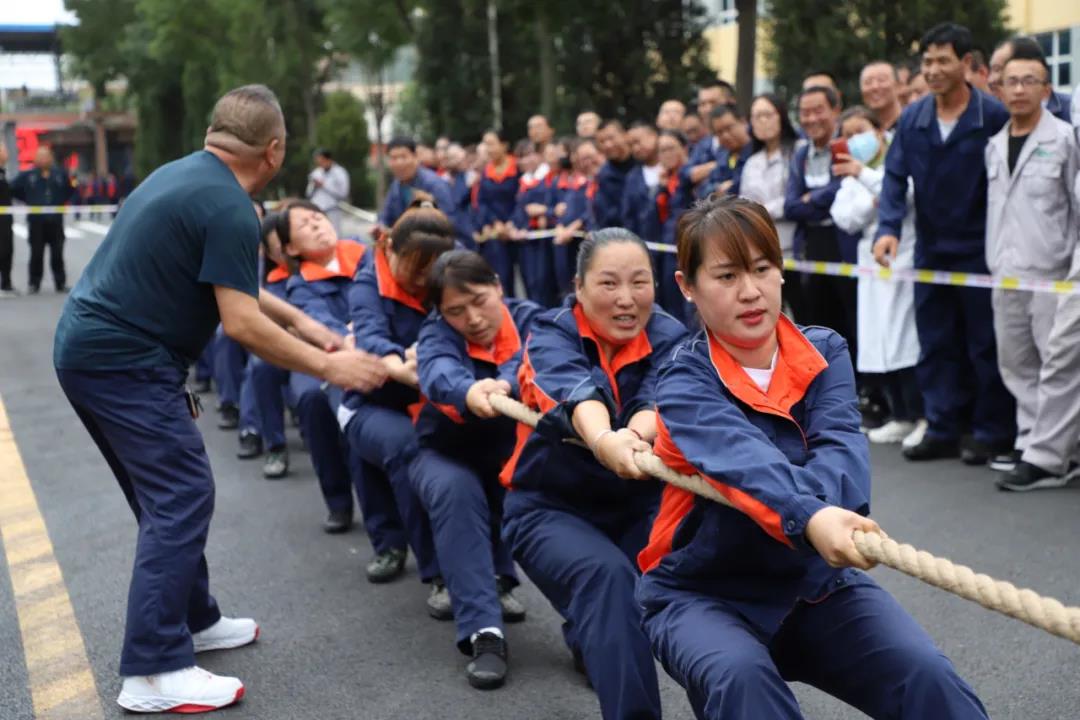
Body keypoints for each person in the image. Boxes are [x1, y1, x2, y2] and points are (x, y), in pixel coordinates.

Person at [53, 85, 387, 713]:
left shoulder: (184, 175)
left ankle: (194, 620)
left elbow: (236, 288)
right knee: (181, 495)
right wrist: (330, 366)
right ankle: (152, 668)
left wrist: (314, 330)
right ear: (275, 149)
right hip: (125, 362)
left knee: (167, 497)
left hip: (94, 352)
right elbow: (241, 323)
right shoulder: (233, 208)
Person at [637, 193, 988, 720]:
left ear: (782, 270)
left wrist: (819, 515)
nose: (751, 291)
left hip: (813, 578)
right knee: (743, 682)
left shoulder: (825, 351)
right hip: (702, 592)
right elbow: (743, 460)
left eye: (762, 268)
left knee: (928, 679)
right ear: (688, 287)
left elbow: (842, 450)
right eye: (727, 276)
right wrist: (812, 516)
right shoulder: (683, 380)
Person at [500, 228, 686, 720]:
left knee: (699, 582)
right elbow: (576, 392)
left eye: (639, 282)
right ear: (579, 288)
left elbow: (657, 398)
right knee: (608, 580)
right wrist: (605, 440)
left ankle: (595, 638)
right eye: (608, 284)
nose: (626, 299)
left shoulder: (671, 335)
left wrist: (637, 437)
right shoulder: (551, 330)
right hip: (547, 507)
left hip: (637, 504)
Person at [873, 22, 1015, 468]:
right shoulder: (913, 119)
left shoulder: (991, 116)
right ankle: (942, 426)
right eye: (927, 61)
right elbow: (895, 177)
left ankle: (990, 431)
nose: (932, 70)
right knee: (935, 342)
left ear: (967, 64)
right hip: (931, 252)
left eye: (942, 60)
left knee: (984, 344)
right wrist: (888, 228)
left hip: (981, 250)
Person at [411, 250, 539, 688]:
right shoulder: (435, 335)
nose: (473, 318)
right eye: (455, 311)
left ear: (499, 287)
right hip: (444, 453)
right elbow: (436, 372)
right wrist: (469, 390)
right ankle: (484, 634)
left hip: (513, 451)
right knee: (456, 492)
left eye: (480, 300)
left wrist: (503, 380)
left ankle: (589, 636)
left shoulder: (531, 318)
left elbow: (533, 357)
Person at [340, 200, 456, 585]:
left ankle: (497, 576)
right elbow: (371, 336)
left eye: (432, 270)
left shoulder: (454, 274)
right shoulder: (367, 280)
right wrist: (405, 368)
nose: (424, 280)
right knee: (403, 448)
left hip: (436, 397)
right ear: (389, 247)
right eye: (415, 268)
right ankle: (436, 572)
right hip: (371, 397)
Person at [984, 39, 1080, 491]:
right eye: (1011, 81)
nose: (1019, 89)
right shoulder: (995, 144)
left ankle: (1051, 455)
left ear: (1046, 89)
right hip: (1004, 272)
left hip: (1052, 273)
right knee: (1016, 364)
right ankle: (1031, 441)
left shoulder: (1063, 139)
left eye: (1030, 81)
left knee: (1054, 364)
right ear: (999, 88)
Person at [830, 107, 923, 445]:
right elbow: (843, 215)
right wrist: (871, 198)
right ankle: (900, 414)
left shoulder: (895, 161)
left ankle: (922, 415)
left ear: (879, 131)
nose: (856, 139)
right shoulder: (850, 177)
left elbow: (904, 195)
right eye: (849, 133)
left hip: (901, 262)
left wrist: (868, 180)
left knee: (906, 341)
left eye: (862, 130)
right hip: (871, 269)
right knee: (880, 343)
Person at [278, 200, 372, 531]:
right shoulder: (299, 284)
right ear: (290, 247)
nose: (317, 225)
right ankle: (338, 501)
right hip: (320, 358)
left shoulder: (365, 255)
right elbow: (315, 324)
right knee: (312, 400)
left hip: (372, 347)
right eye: (305, 224)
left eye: (318, 217)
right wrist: (346, 339)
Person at [784, 85, 858, 358]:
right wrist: (821, 201)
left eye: (818, 111)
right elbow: (791, 205)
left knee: (851, 319)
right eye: (805, 112)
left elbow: (844, 188)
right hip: (811, 247)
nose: (811, 118)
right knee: (818, 322)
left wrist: (810, 199)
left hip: (844, 245)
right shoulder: (801, 154)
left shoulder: (845, 146)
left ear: (835, 110)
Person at [739, 93, 801, 318]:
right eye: (756, 117)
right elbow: (745, 204)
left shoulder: (798, 151)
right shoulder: (752, 162)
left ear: (781, 116)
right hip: (763, 246)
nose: (762, 121)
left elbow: (795, 200)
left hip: (795, 245)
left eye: (767, 115)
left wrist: (766, 208)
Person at [246, 212, 294, 478]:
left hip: (334, 346)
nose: (285, 252)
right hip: (290, 345)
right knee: (260, 365)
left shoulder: (340, 260)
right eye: (278, 248)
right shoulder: (272, 280)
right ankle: (273, 443)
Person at [643, 129, 693, 320]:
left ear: (684, 148)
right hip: (665, 251)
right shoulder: (663, 182)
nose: (666, 155)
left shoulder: (690, 178)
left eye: (670, 148)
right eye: (661, 151)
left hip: (685, 250)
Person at [11, 145, 73, 293]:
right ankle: (34, 282)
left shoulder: (59, 174)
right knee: (36, 253)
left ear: (50, 158)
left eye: (46, 156)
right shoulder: (28, 175)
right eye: (40, 156)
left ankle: (60, 282)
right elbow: (13, 188)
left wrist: (60, 202)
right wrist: (29, 200)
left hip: (55, 220)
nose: (43, 159)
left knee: (57, 253)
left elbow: (70, 189)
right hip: (36, 221)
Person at [375, 137, 456, 238]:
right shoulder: (396, 186)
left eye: (403, 157)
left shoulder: (433, 183)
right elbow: (385, 217)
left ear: (416, 157)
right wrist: (380, 227)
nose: (399, 163)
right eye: (394, 158)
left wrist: (432, 208)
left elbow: (450, 222)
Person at [473, 128, 521, 294]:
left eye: (491, 144)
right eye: (486, 144)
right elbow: (482, 202)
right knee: (502, 278)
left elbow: (523, 198)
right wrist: (495, 223)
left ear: (504, 145)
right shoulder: (486, 171)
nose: (488, 149)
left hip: (518, 228)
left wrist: (511, 222)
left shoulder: (518, 168)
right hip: (496, 231)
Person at [552, 138, 602, 295]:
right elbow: (564, 208)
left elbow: (587, 213)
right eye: (581, 158)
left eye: (589, 157)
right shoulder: (574, 180)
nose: (585, 162)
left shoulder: (600, 180)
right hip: (569, 239)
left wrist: (572, 228)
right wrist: (560, 225)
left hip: (592, 241)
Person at [511, 141, 557, 306]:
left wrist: (545, 211)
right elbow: (520, 209)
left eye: (530, 155)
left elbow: (557, 207)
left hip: (544, 241)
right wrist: (514, 226)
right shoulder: (523, 182)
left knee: (544, 284)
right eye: (521, 157)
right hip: (526, 241)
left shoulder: (549, 179)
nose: (526, 161)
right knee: (530, 284)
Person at [988, 37, 1072, 123]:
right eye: (991, 70)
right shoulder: (996, 117)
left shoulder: (1072, 111)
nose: (990, 80)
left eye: (997, 69)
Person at [593, 119, 637, 228]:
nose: (608, 145)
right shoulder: (604, 175)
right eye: (602, 141)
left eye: (611, 138)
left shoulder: (642, 163)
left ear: (625, 135)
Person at [621, 122, 662, 239]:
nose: (635, 148)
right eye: (631, 145)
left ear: (654, 136)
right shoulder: (632, 178)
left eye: (638, 141)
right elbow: (628, 217)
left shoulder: (672, 168)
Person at [704, 104, 753, 197]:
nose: (725, 136)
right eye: (719, 132)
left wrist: (731, 186)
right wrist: (717, 188)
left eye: (729, 128)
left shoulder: (756, 152)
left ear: (743, 122)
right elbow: (706, 189)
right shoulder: (724, 155)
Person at [305, 148, 350, 232]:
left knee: (333, 235)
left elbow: (343, 193)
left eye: (322, 161)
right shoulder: (316, 173)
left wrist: (324, 185)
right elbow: (308, 194)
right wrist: (314, 186)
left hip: (333, 210)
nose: (320, 163)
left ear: (328, 159)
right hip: (317, 210)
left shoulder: (340, 173)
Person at [860, 60, 904, 132]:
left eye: (881, 80)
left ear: (898, 86)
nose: (874, 87)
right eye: (868, 82)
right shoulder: (859, 130)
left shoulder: (911, 123)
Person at [0, 142, 14, 298]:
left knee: (7, 251)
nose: (5, 152)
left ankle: (6, 283)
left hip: (6, 218)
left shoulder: (5, 172)